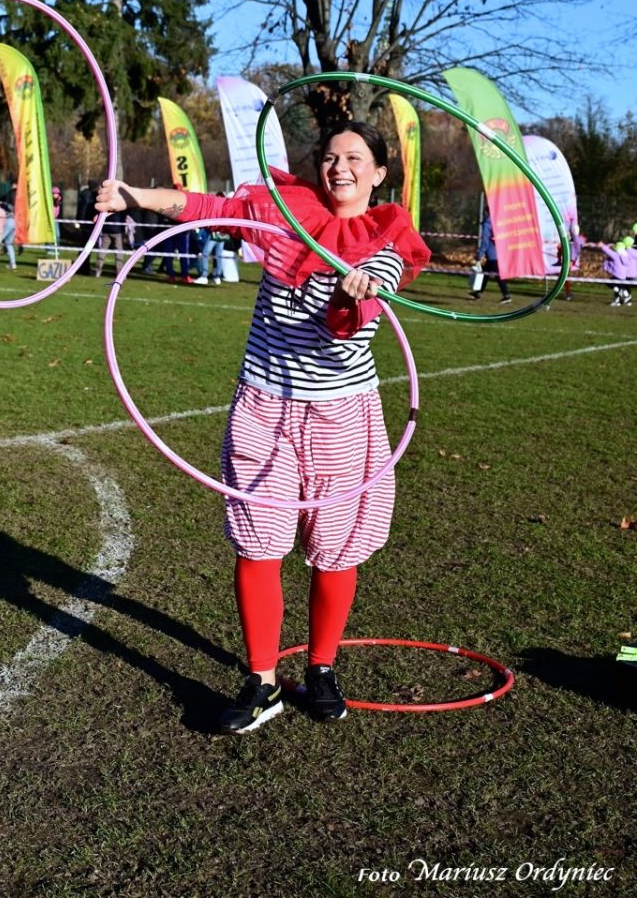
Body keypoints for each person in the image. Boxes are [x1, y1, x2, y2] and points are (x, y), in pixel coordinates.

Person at [96, 122, 430, 733]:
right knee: (259, 543)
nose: (340, 167)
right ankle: (262, 682)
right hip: (264, 405)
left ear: (379, 173)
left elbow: (359, 311)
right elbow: (205, 208)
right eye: (330, 156)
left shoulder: (386, 238)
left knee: (337, 548)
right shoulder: (283, 213)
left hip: (341, 413)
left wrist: (354, 294)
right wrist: (133, 196)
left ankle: (322, 669)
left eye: (355, 158)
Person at [469, 209, 511, 303]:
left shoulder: (487, 223)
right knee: (485, 273)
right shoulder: (498, 222)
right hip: (498, 252)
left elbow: (485, 241)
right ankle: (478, 292)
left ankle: (506, 295)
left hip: (492, 254)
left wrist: (479, 254)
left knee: (498, 275)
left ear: (486, 212)